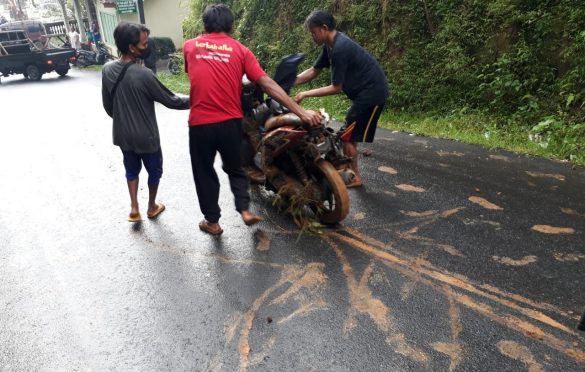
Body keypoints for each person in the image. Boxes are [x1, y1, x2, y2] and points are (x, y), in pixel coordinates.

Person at [183, 4, 322, 236]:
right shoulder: (240, 50)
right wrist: (300, 111)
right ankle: (245, 210)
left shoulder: (190, 46)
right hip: (230, 122)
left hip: (201, 123)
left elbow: (198, 76)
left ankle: (213, 222)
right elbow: (266, 83)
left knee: (204, 171)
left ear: (205, 24)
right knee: (236, 168)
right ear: (231, 25)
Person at [102, 22, 190, 222]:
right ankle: (151, 206)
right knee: (154, 171)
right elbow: (172, 100)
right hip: (147, 137)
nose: (147, 46)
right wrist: (199, 98)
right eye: (143, 44)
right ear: (132, 48)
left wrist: (124, 120)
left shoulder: (107, 70)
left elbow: (108, 106)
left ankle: (134, 208)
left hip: (122, 135)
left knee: (131, 170)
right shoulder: (144, 75)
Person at [294, 10, 389, 188]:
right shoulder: (329, 46)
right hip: (364, 94)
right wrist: (291, 81)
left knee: (347, 136)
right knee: (348, 134)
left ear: (324, 28)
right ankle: (349, 170)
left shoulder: (340, 48)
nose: (312, 36)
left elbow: (336, 87)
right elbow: (314, 71)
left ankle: (356, 177)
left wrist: (305, 93)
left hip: (372, 95)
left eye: (313, 32)